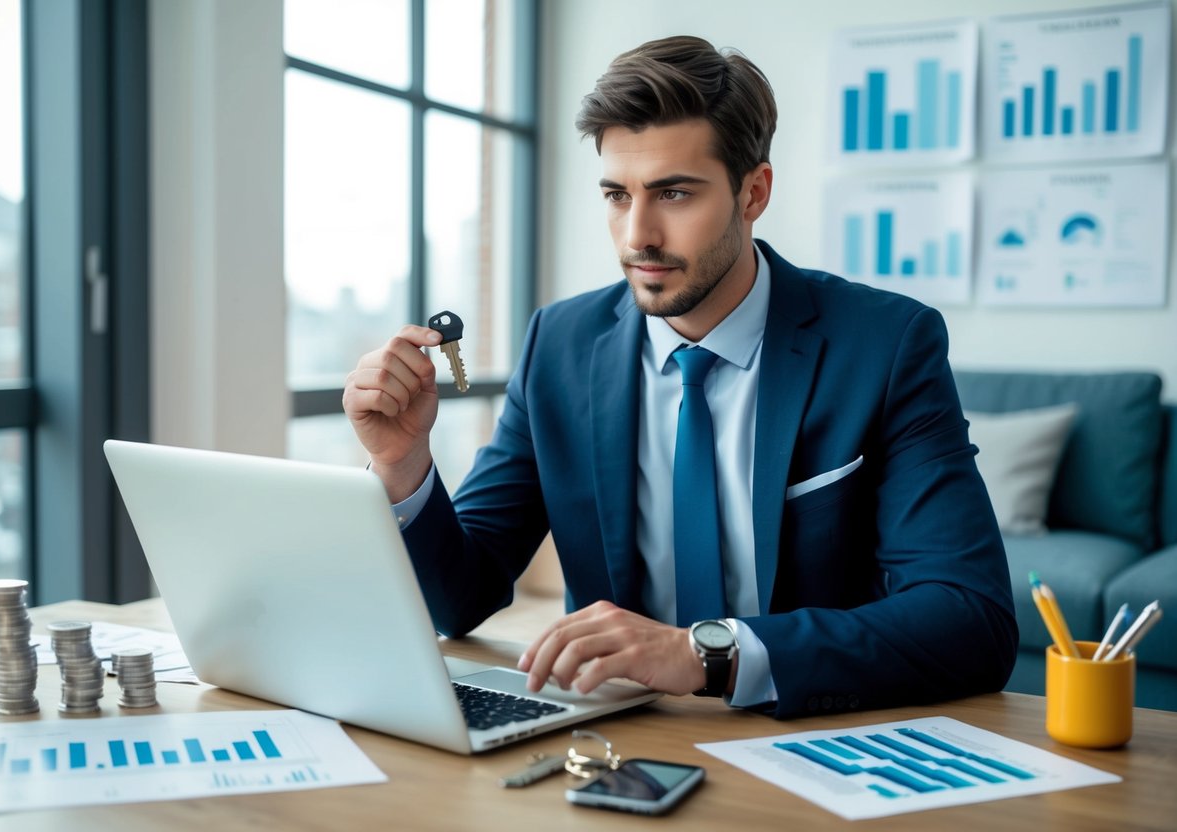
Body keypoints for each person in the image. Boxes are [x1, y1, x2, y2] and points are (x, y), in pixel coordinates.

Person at [342, 35, 1017, 718]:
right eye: (616, 194)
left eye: (672, 193)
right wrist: (401, 465)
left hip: (811, 734)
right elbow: (459, 598)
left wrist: (707, 654)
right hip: (621, 737)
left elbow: (970, 619)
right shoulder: (560, 344)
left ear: (752, 192)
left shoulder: (885, 344)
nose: (637, 234)